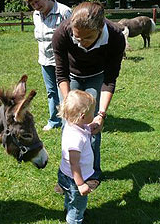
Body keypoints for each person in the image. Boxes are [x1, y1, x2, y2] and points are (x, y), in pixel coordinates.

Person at [52, 1, 125, 180]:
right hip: (72, 75)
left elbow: (110, 79)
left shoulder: (115, 37)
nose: (81, 43)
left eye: (87, 38)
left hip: (97, 76)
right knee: (69, 124)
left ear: (100, 28)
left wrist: (101, 114)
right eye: (77, 38)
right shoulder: (62, 33)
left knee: (91, 125)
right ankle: (67, 175)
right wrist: (69, 102)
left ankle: (92, 174)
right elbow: (61, 74)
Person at [25, 0, 72, 131]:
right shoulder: (36, 15)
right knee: (51, 92)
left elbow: (73, 38)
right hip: (44, 60)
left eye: (37, 2)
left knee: (64, 92)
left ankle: (68, 121)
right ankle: (54, 121)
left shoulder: (64, 12)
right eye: (33, 4)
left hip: (62, 60)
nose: (36, 7)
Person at [57, 90, 99, 224]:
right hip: (75, 180)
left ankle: (68, 208)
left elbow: (83, 129)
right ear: (82, 115)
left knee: (70, 197)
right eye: (92, 112)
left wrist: (90, 126)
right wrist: (80, 184)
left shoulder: (73, 126)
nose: (94, 114)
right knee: (77, 205)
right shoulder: (75, 139)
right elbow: (74, 164)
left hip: (66, 175)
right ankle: (74, 219)